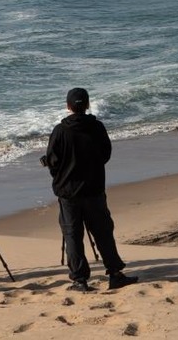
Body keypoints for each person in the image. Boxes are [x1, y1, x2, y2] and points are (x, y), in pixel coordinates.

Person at [44, 88, 138, 292]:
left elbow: (52, 160)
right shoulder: (96, 127)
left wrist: (60, 176)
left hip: (68, 192)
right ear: (86, 105)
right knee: (103, 232)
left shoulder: (60, 131)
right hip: (94, 189)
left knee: (72, 234)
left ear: (68, 106)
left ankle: (80, 280)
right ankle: (115, 274)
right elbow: (105, 154)